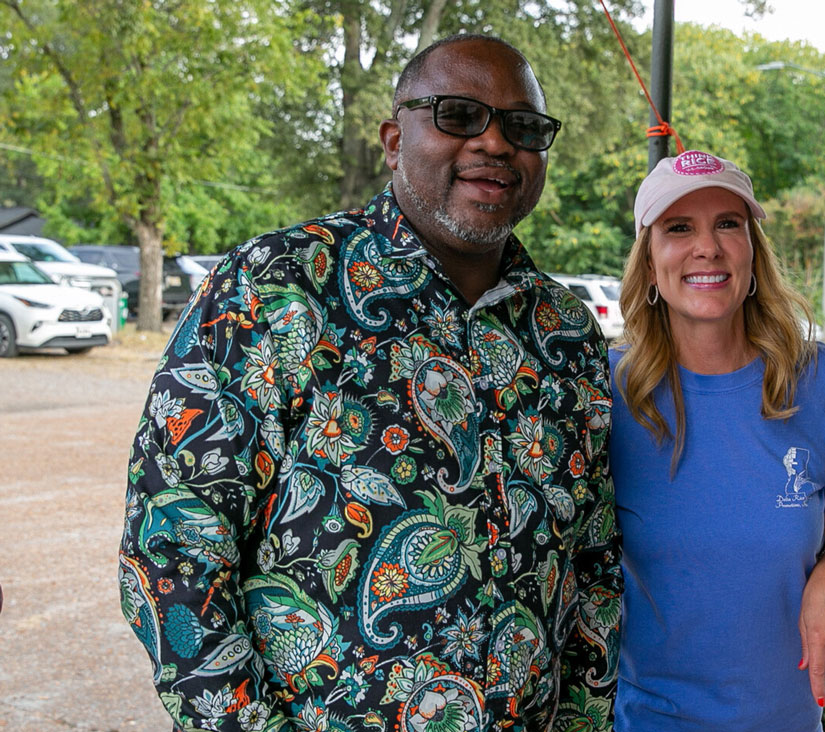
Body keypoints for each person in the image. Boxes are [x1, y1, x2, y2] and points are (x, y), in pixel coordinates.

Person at [118, 35, 621, 732]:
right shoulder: (279, 287)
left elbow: (593, 563)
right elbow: (174, 548)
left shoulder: (566, 333)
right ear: (393, 139)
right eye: (458, 115)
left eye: (524, 127)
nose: (497, 143)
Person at [609, 150, 825, 731]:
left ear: (753, 252)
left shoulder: (823, 380)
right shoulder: (606, 395)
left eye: (728, 223)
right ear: (650, 265)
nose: (708, 246)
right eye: (679, 228)